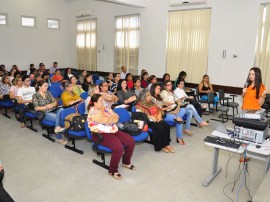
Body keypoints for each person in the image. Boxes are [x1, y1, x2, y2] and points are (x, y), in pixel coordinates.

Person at [87, 94, 135, 180]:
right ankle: (112, 171)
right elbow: (104, 120)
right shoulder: (93, 112)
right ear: (95, 103)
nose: (103, 102)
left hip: (112, 129)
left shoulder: (105, 108)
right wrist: (110, 119)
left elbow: (116, 116)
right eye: (101, 101)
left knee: (130, 141)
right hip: (100, 134)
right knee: (118, 148)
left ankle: (126, 162)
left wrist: (111, 119)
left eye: (103, 100)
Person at [32, 80, 67, 144]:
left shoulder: (48, 93)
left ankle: (57, 127)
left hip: (52, 109)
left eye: (47, 86)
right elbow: (36, 108)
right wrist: (47, 107)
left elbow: (55, 101)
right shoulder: (35, 95)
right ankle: (59, 137)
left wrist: (54, 104)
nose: (47, 87)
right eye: (45, 86)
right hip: (44, 113)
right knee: (58, 117)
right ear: (40, 87)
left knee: (62, 110)